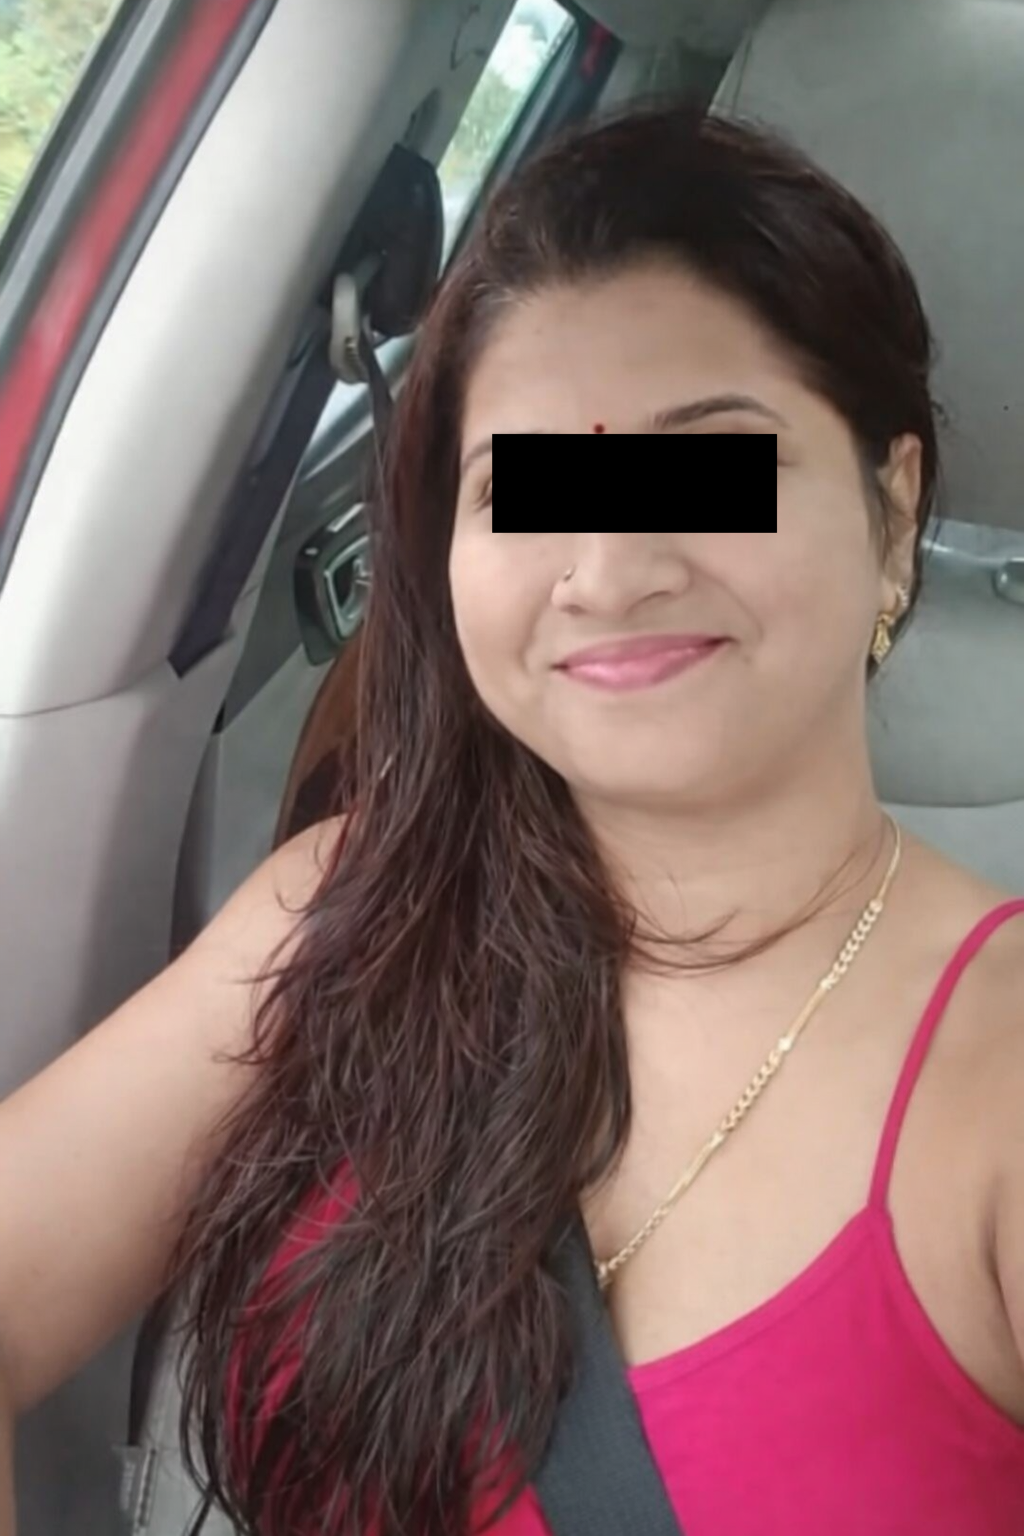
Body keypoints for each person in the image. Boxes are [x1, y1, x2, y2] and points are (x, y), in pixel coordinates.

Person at [2, 105, 1024, 1536]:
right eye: (525, 489)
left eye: (707, 468)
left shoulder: (995, 1081)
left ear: (894, 510)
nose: (604, 570)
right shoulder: (346, 908)